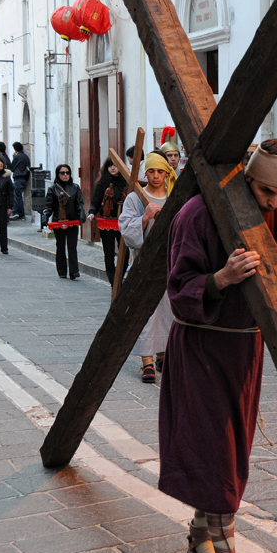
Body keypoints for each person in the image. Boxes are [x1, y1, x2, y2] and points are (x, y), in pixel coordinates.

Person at [159, 139, 277, 553]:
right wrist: (221, 278)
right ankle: (225, 549)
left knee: (231, 448)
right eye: (267, 192)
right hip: (203, 347)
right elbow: (178, 286)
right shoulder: (197, 214)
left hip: (246, 350)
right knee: (215, 450)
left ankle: (198, 532)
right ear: (248, 178)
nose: (274, 202)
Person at [119, 153, 176, 382]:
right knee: (146, 313)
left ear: (166, 173)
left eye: (160, 171)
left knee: (169, 312)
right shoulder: (135, 198)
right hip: (143, 264)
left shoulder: (174, 196)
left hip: (170, 264)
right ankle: (147, 362)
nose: (155, 176)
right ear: (146, 173)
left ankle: (164, 355)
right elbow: (125, 229)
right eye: (151, 171)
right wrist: (145, 218)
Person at [90, 156, 127, 284]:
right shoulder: (102, 184)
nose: (112, 168)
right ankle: (114, 283)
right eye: (110, 165)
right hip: (107, 222)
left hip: (123, 221)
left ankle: (119, 278)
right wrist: (91, 212)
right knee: (109, 253)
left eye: (115, 165)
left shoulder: (126, 183)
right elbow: (95, 201)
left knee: (125, 253)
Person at [44, 164, 84, 279]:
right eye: (62, 173)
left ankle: (74, 271)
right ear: (58, 174)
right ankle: (62, 271)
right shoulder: (53, 189)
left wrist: (81, 214)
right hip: (58, 221)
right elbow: (49, 205)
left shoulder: (75, 187)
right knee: (60, 245)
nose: (65, 175)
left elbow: (80, 203)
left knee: (72, 246)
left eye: (67, 172)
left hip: (72, 220)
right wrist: (45, 216)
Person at [9, 142, 30, 221]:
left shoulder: (17, 157)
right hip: (25, 178)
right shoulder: (26, 157)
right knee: (19, 195)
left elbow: (12, 168)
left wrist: (13, 157)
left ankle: (19, 213)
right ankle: (20, 213)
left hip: (18, 177)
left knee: (17, 196)